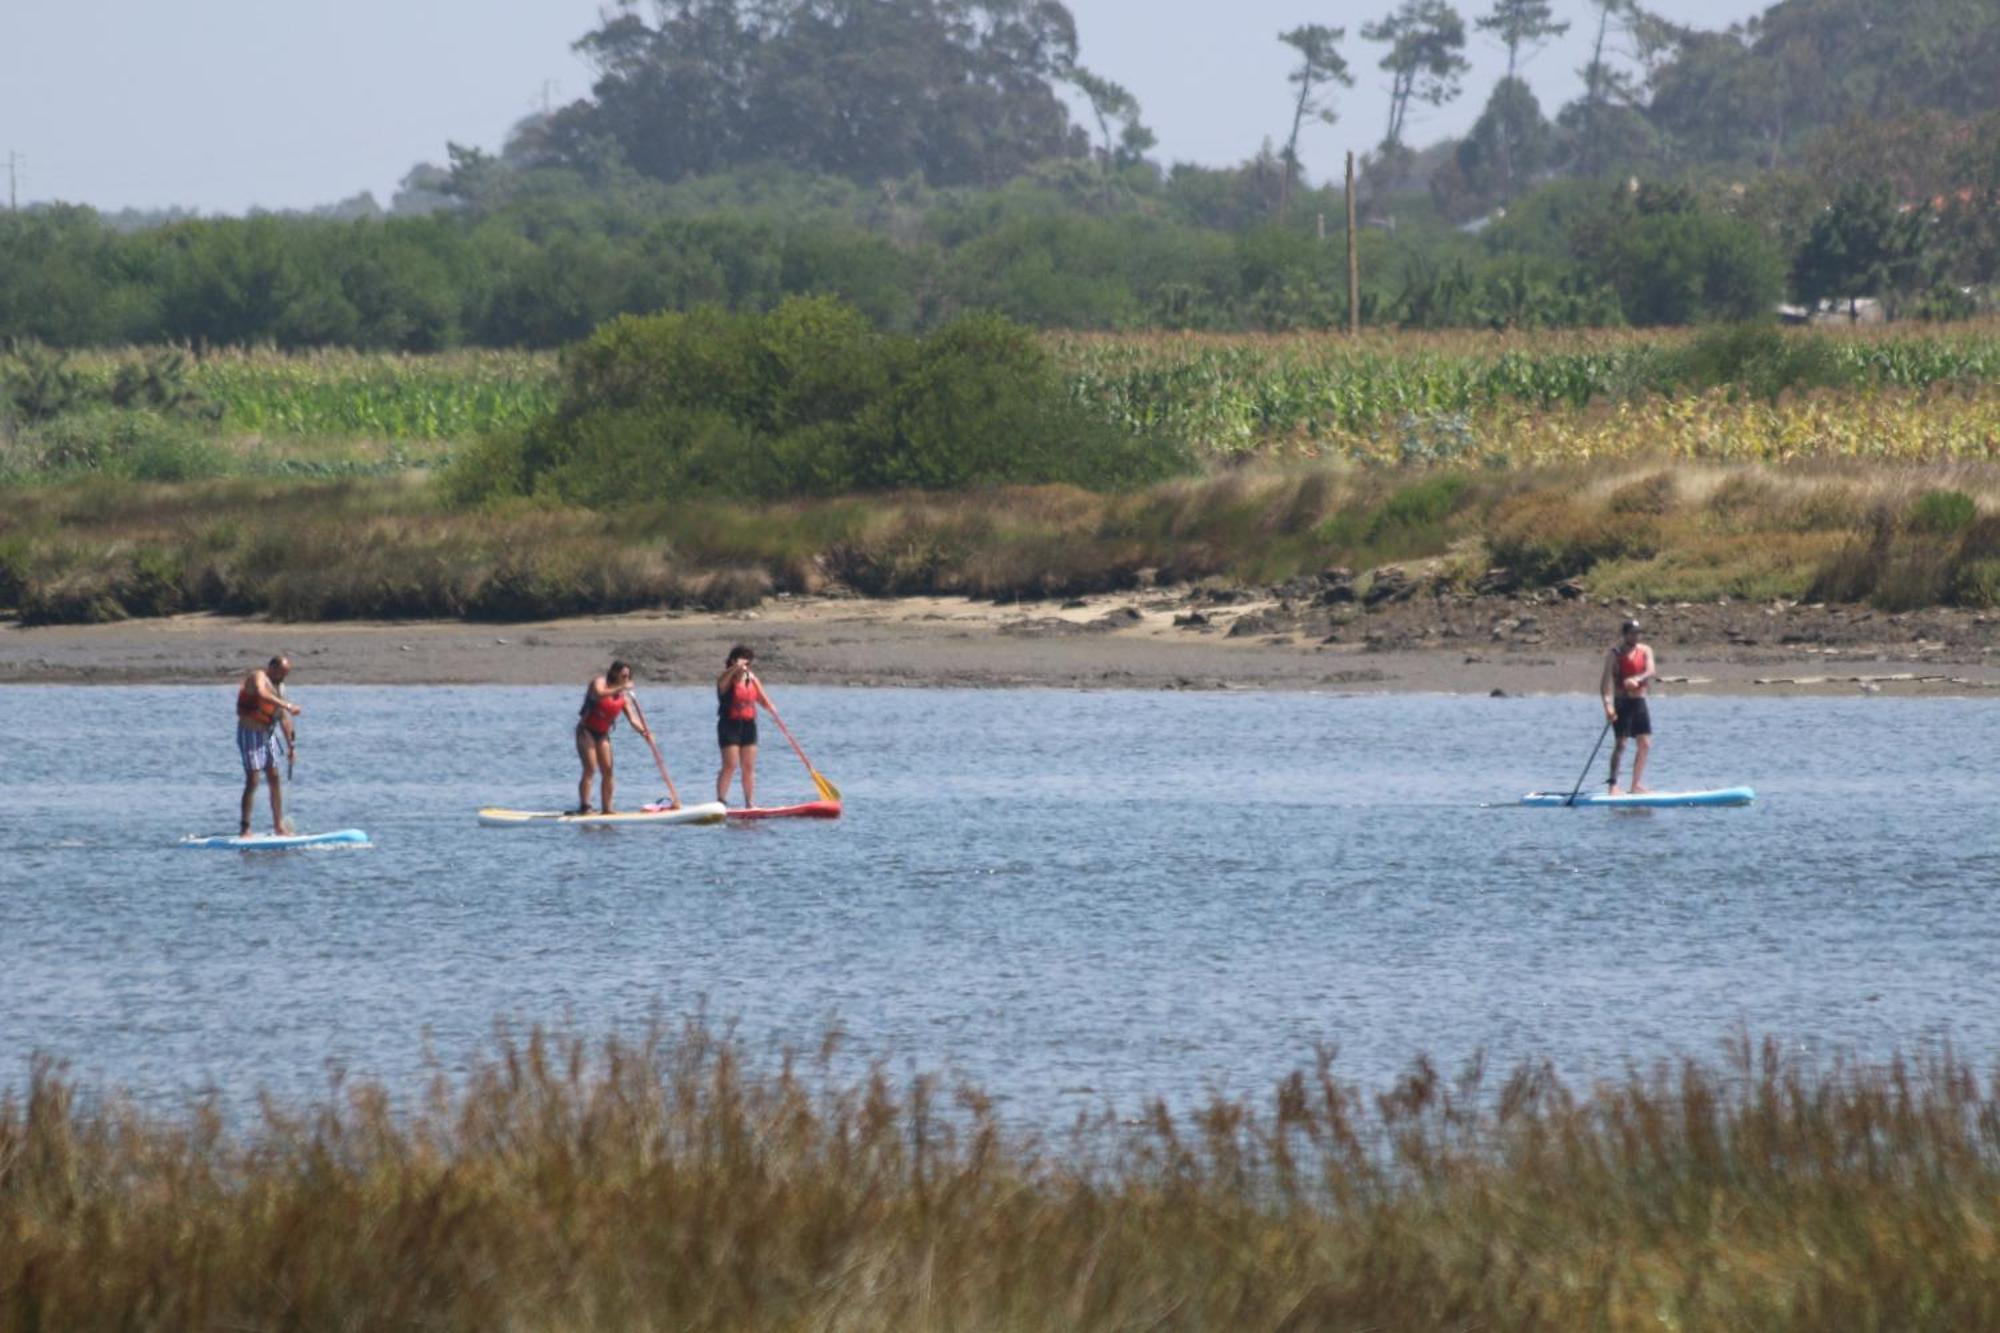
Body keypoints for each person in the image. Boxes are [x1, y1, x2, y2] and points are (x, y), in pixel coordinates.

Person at [576, 660, 656, 814]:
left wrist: (645, 733)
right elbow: (599, 694)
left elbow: (633, 720)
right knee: (590, 768)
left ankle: (607, 809)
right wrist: (622, 687)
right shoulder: (599, 682)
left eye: (629, 676)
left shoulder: (623, 697)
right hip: (586, 731)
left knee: (608, 771)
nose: (627, 678)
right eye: (624, 675)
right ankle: (585, 806)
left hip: (603, 734)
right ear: (614, 673)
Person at [237, 655, 303, 836]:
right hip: (250, 734)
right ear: (271, 667)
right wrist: (288, 705)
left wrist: (291, 747)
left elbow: (282, 717)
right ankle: (245, 828)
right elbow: (261, 693)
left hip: (268, 735)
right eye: (281, 673)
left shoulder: (280, 688)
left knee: (274, 778)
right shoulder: (258, 676)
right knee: (253, 780)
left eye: (286, 674)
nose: (283, 678)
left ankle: (278, 826)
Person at [1600, 618, 1657, 795]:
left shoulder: (1645, 650)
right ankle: (1613, 785)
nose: (1636, 636)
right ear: (1625, 634)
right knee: (1621, 744)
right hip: (1622, 702)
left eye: (1638, 633)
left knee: (1645, 743)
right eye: (1632, 633)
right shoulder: (1615, 653)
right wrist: (1608, 706)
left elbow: (1651, 671)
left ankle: (1636, 784)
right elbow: (1605, 684)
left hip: (1639, 701)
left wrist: (1637, 679)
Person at [715, 645, 765, 808]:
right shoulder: (725, 678)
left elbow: (763, 699)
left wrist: (772, 709)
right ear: (732, 661)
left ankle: (749, 803)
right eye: (742, 661)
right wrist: (735, 667)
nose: (745, 666)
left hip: (748, 725)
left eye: (748, 663)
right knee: (730, 765)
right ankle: (721, 801)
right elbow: (722, 684)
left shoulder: (752, 678)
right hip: (729, 724)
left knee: (748, 766)